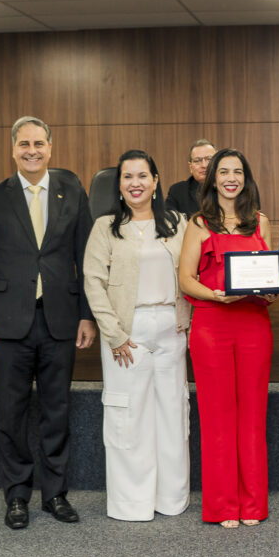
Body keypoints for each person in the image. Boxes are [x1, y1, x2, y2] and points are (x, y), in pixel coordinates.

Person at [0, 115, 96, 530]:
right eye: (24, 144)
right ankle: (17, 496)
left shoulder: (71, 190)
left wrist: (87, 315)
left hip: (59, 319)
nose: (32, 151)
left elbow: (87, 259)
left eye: (39, 144)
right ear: (12, 149)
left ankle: (55, 494)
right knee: (11, 413)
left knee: (57, 411)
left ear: (51, 148)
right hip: (6, 324)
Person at [83, 149, 191, 522]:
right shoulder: (105, 227)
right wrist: (113, 335)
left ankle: (171, 499)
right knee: (128, 418)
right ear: (119, 185)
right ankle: (132, 503)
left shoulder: (179, 223)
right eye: (127, 177)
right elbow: (93, 283)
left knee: (172, 413)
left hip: (172, 331)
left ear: (156, 181)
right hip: (127, 334)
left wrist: (186, 321)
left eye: (143, 176)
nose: (135, 183)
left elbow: (193, 274)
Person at [178, 148, 276, 528]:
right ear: (212, 179)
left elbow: (268, 272)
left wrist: (269, 291)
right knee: (217, 417)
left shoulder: (261, 223)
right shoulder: (199, 224)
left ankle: (253, 505)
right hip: (212, 323)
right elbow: (186, 279)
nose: (230, 178)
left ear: (246, 178)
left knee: (253, 416)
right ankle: (222, 506)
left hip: (253, 322)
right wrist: (217, 295)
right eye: (223, 172)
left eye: (237, 171)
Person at [166, 139, 215, 218]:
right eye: (197, 161)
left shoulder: (227, 189)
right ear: (190, 167)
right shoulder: (177, 191)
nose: (204, 165)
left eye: (209, 159)